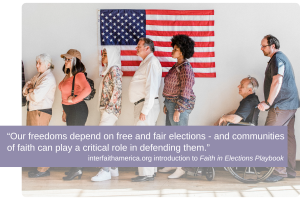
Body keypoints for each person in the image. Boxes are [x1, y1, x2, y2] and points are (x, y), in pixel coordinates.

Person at [182, 76, 260, 176]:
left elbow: (236, 119)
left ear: (249, 90)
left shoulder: (248, 102)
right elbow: (237, 112)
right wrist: (224, 116)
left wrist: (223, 118)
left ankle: (199, 166)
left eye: (241, 85)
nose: (238, 86)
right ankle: (201, 166)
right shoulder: (252, 99)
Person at [258, 34, 300, 182]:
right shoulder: (279, 58)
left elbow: (277, 81)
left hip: (282, 105)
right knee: (288, 137)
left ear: (273, 46)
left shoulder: (277, 59)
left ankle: (277, 172)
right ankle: (289, 171)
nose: (261, 48)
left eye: (264, 46)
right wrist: (269, 99)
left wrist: (268, 103)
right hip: (290, 104)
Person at [159, 34, 196, 178]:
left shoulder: (185, 68)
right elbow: (170, 86)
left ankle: (182, 167)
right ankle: (173, 163)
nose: (172, 51)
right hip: (170, 104)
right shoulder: (176, 66)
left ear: (182, 51)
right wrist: (166, 104)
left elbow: (186, 89)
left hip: (179, 106)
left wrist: (178, 110)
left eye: (175, 49)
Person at [129, 37, 162, 182]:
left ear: (147, 48)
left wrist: (145, 110)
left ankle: (146, 174)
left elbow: (152, 87)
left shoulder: (152, 62)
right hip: (142, 104)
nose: (136, 48)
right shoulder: (146, 62)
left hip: (145, 105)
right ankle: (150, 171)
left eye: (139, 46)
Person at [59, 49, 91, 181]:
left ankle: (77, 168)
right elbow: (64, 95)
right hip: (70, 110)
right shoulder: (68, 75)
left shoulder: (79, 75)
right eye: (65, 59)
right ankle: (75, 168)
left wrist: (75, 99)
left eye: (68, 59)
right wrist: (64, 111)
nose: (65, 61)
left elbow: (87, 89)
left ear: (75, 61)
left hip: (78, 109)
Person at [91, 47, 122, 182]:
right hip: (108, 109)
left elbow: (117, 89)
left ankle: (105, 170)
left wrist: (109, 108)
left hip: (110, 110)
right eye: (102, 54)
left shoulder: (114, 69)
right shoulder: (109, 70)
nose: (102, 57)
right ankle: (113, 168)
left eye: (105, 54)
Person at [23, 53, 56, 178]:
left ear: (48, 64)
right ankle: (40, 168)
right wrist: (29, 90)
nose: (37, 65)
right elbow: (25, 88)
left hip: (40, 111)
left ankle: (43, 170)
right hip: (34, 110)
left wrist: (30, 91)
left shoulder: (48, 78)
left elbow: (36, 97)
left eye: (39, 63)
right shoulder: (38, 75)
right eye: (36, 63)